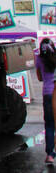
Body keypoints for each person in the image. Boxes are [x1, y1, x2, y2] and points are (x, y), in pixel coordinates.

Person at [35, 37, 56, 165]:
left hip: (47, 94)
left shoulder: (39, 59)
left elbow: (39, 78)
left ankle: (50, 155)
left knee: (49, 125)